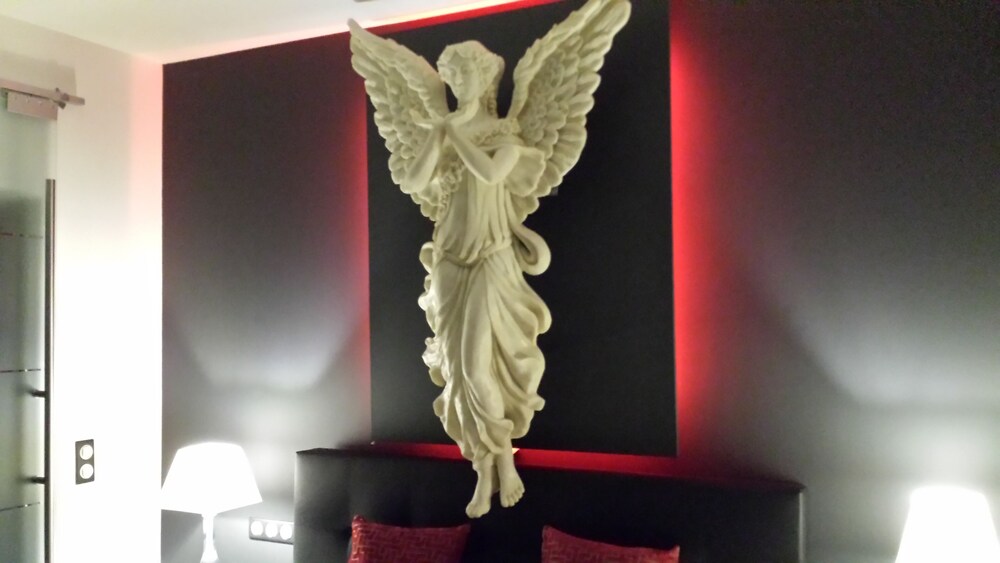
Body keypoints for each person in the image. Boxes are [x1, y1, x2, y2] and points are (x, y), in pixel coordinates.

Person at [402, 41, 552, 518]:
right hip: (448, 261)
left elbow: (489, 172)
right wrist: (438, 136)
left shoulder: (506, 132)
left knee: (475, 367)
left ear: (485, 79)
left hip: (492, 256)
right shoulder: (446, 132)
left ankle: (504, 458)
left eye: (465, 75)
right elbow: (413, 181)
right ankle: (484, 468)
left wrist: (453, 132)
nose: (458, 84)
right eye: (452, 77)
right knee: (456, 372)